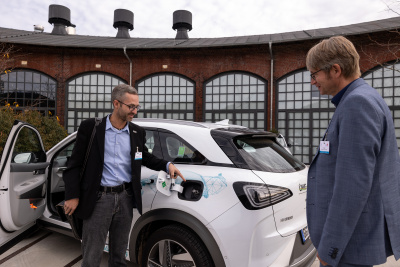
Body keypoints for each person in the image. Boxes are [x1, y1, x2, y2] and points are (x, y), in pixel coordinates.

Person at [62, 84, 185, 267]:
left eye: (137, 106)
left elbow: (144, 157)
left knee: (119, 255)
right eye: (131, 106)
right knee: (92, 256)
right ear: (116, 104)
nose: (134, 111)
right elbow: (73, 164)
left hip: (126, 199)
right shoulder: (92, 128)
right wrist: (72, 196)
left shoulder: (137, 132)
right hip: (98, 199)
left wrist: (167, 165)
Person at [306, 36, 400, 267]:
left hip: (348, 246)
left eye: (314, 74)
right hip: (352, 241)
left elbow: (352, 186)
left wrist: (330, 250)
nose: (312, 81)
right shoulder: (361, 98)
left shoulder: (357, 104)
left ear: (335, 70)